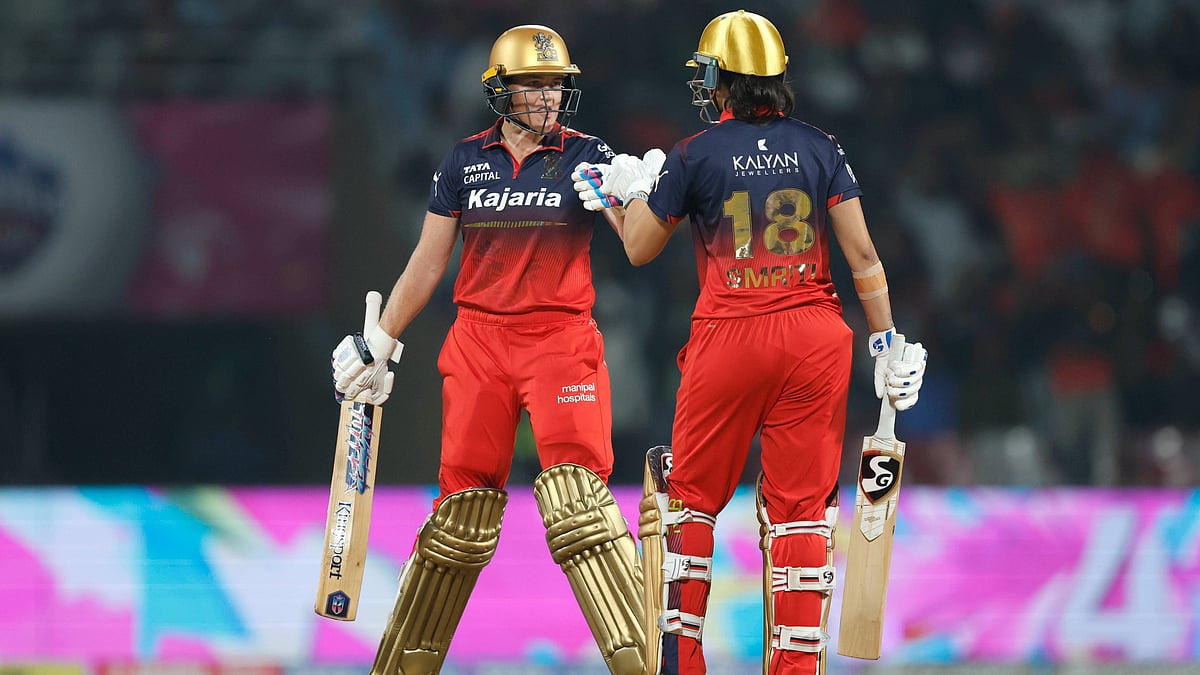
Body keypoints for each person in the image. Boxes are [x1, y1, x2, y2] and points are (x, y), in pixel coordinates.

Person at [573, 10, 927, 675]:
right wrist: (886, 341)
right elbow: (864, 259)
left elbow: (643, 248)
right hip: (816, 338)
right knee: (800, 517)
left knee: (693, 504)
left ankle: (682, 660)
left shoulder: (694, 152)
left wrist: (619, 199)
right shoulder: (822, 147)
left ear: (728, 82)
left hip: (731, 335)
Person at [330, 24, 644, 675]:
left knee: (577, 503)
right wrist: (381, 340)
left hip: (560, 341)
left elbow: (638, 244)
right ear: (500, 91)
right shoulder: (464, 162)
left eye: (557, 85)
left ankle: (644, 662)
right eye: (534, 85)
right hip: (479, 345)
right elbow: (427, 261)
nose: (549, 97)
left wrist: (635, 194)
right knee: (460, 518)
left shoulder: (589, 153)